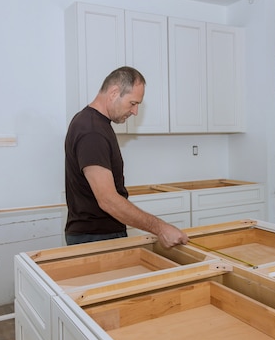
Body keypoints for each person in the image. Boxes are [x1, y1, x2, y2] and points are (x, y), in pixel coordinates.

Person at [64, 66, 189, 249]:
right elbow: (107, 199)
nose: (135, 111)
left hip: (96, 235)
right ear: (114, 93)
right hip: (96, 239)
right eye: (132, 103)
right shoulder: (92, 131)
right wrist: (161, 228)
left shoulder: (91, 122)